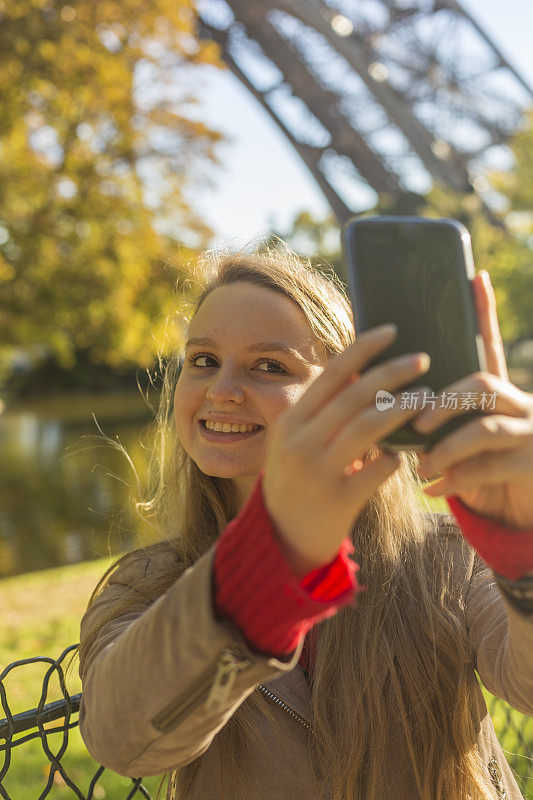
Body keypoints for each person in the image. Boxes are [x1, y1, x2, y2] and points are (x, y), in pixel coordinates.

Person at [76, 244, 533, 800]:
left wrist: (524, 558)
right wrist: (270, 563)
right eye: (203, 360)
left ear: (350, 393)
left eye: (270, 366)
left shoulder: (444, 559)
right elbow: (121, 740)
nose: (221, 390)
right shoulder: (147, 585)